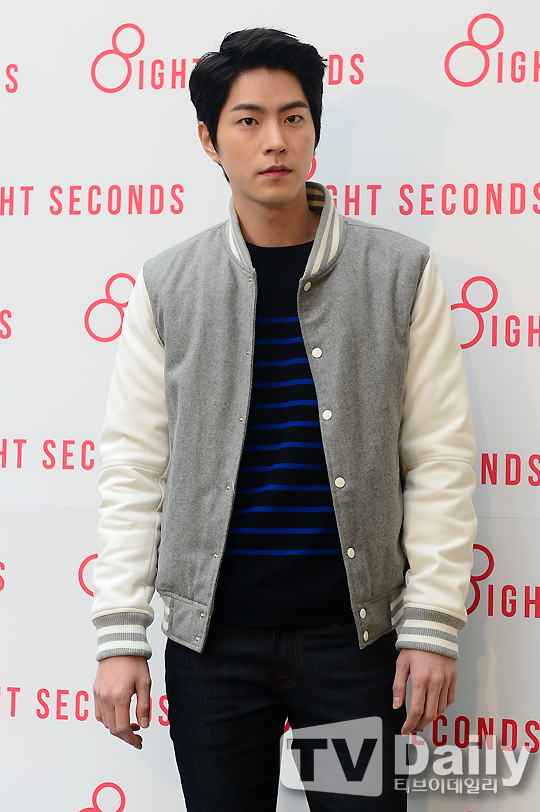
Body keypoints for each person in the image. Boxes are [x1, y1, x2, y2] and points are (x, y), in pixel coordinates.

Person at [91, 28, 477, 812]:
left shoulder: (400, 273)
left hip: (354, 647)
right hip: (213, 649)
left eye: (294, 118)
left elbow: (439, 456)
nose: (276, 140)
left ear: (315, 130)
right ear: (210, 139)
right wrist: (121, 633)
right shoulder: (168, 285)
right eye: (249, 120)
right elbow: (135, 467)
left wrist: (433, 622)